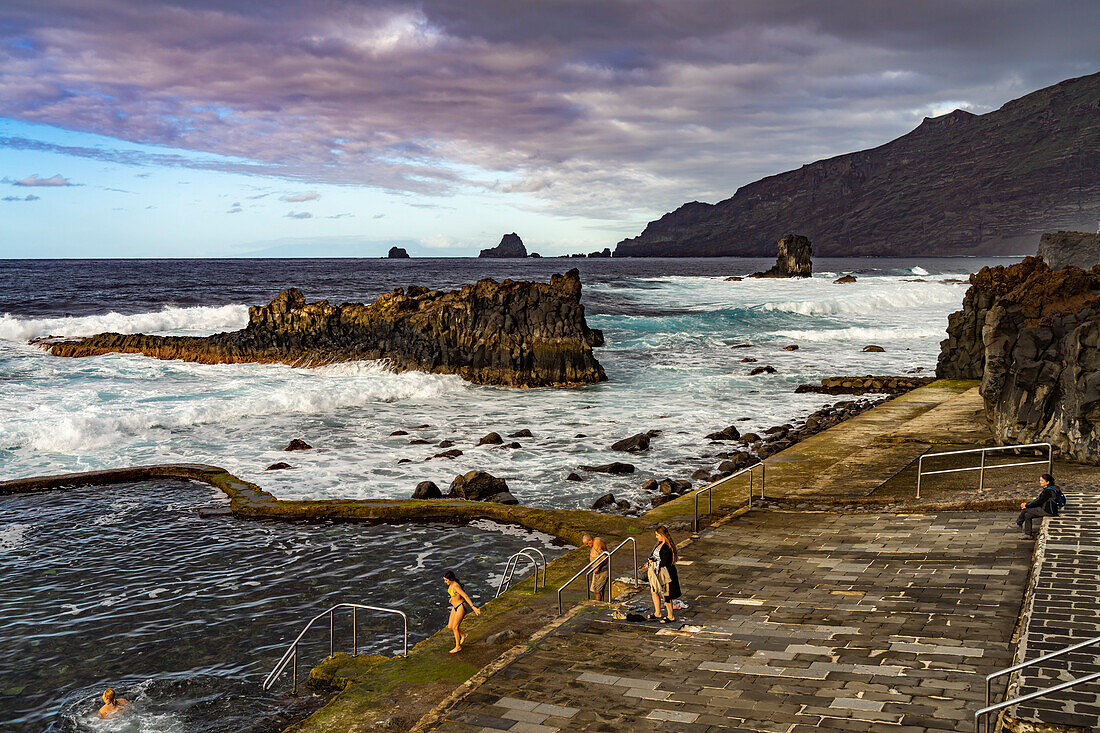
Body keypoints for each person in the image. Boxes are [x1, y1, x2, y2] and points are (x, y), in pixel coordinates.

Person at [646, 526, 681, 623]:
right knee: (654, 591)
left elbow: (665, 561)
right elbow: (655, 556)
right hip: (656, 572)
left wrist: (653, 561)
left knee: (666, 594)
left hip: (665, 573)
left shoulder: (667, 547)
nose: (656, 537)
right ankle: (658, 613)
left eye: (657, 535)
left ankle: (671, 616)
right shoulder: (659, 544)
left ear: (662, 535)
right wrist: (650, 562)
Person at [443, 570, 480, 654]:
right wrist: (452, 598)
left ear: (451, 579)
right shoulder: (452, 584)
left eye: (446, 580)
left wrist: (473, 607)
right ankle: (463, 635)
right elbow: (455, 595)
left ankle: (458, 647)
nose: (445, 582)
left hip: (461, 607)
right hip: (455, 607)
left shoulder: (456, 586)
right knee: (450, 626)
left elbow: (465, 596)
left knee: (455, 627)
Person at [1016, 473, 1060, 538]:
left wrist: (1026, 505)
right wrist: (1027, 504)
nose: (1040, 482)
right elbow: (1038, 499)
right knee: (1027, 515)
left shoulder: (1048, 491)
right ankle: (1027, 534)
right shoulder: (1053, 488)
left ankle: (1018, 523)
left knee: (1025, 510)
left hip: (1048, 511)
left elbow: (1039, 502)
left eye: (1042, 481)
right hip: (1051, 510)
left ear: (1047, 482)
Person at [582, 533, 609, 602]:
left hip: (601, 570)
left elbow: (603, 557)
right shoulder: (597, 540)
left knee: (597, 590)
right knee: (598, 589)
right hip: (599, 569)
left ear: (591, 540)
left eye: (587, 543)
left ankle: (598, 605)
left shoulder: (597, 545)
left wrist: (597, 568)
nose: (587, 546)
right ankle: (601, 602)